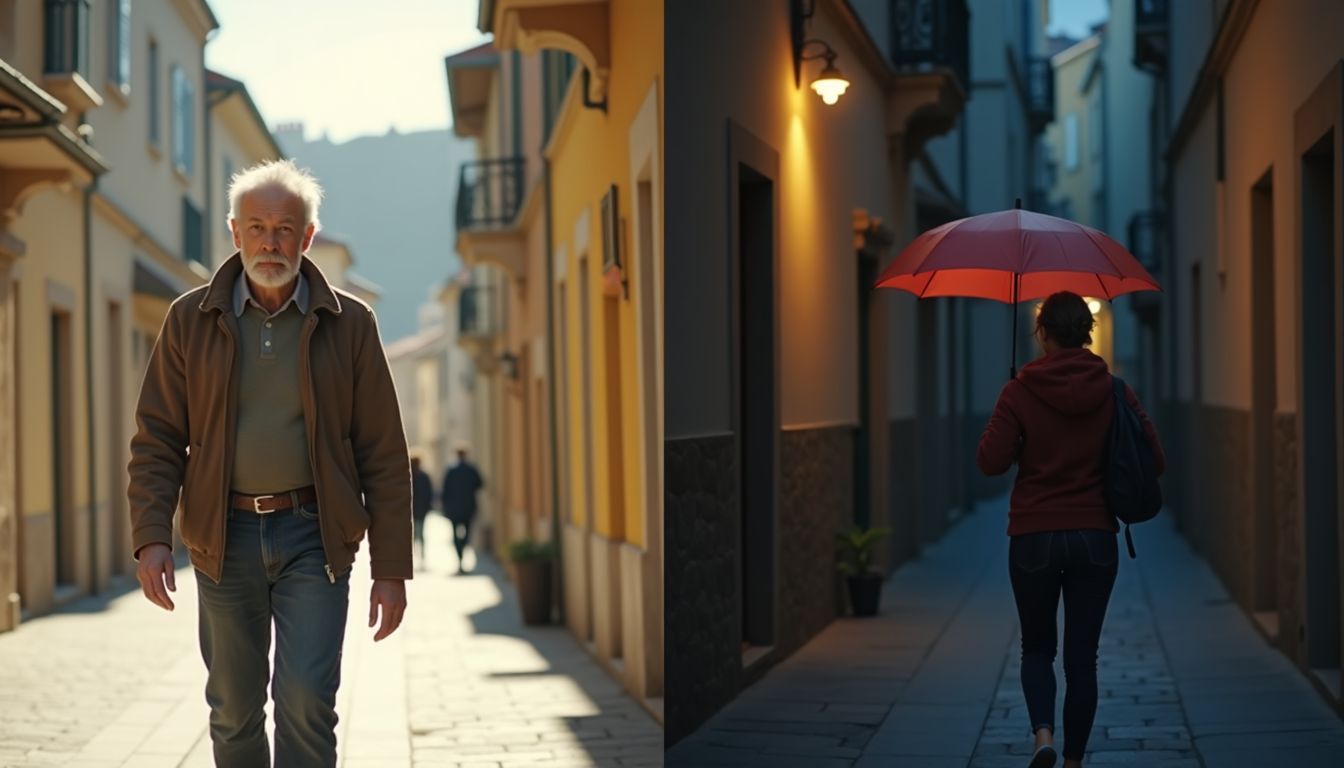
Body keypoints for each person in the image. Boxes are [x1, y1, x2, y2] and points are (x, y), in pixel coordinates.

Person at [128, 158, 412, 767]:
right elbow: (156, 438)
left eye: (285, 228)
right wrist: (151, 536)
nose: (270, 242)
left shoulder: (352, 324)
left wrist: (392, 568)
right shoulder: (188, 320)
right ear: (234, 232)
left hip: (315, 535)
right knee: (232, 710)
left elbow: (385, 455)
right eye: (256, 227)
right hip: (221, 538)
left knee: (308, 701)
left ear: (308, 237)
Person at [976, 291, 1165, 768]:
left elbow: (990, 462)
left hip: (1034, 537)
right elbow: (1154, 458)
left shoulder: (1019, 390)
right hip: (1095, 537)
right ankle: (1076, 762)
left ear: (1042, 333)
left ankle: (1043, 738)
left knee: (1037, 646)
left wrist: (1015, 425)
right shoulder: (1116, 389)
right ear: (1087, 332)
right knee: (1083, 660)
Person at [440, 442, 484, 574]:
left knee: (455, 534)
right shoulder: (471, 469)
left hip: (453, 508)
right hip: (468, 506)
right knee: (467, 533)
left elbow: (444, 490)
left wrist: (445, 506)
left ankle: (459, 557)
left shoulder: (451, 470)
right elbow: (480, 484)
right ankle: (462, 554)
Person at [410, 452, 435, 569]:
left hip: (410, 510)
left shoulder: (408, 475)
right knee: (421, 533)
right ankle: (422, 557)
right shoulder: (424, 476)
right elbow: (429, 493)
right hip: (422, 509)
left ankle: (413, 556)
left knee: (412, 534)